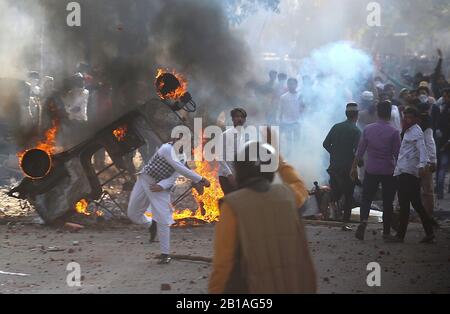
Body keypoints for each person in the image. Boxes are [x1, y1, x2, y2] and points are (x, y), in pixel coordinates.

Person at [209, 142, 316, 294]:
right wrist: (279, 161)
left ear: (240, 171)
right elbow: (298, 184)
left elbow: (223, 264)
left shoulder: (232, 205)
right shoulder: (289, 196)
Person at [127, 135, 211, 264]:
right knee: (133, 214)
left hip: (160, 188)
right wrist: (201, 179)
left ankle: (165, 254)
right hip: (144, 179)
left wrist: (161, 186)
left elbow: (173, 177)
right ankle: (151, 224)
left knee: (163, 218)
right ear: (175, 140)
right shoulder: (166, 148)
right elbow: (180, 168)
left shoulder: (182, 157)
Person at [352, 101, 401, 241]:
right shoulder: (394, 131)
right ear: (390, 113)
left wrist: (353, 167)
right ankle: (386, 232)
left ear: (378, 112)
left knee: (366, 198)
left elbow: (360, 151)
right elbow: (398, 155)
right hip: (388, 170)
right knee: (387, 202)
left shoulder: (368, 129)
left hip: (371, 169)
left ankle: (363, 222)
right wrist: (401, 173)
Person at [386, 107, 436, 244]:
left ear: (415, 119)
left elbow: (423, 149)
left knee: (406, 204)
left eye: (410, 117)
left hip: (409, 172)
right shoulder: (408, 131)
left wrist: (422, 166)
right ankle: (428, 232)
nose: (407, 119)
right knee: (415, 204)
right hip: (404, 171)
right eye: (406, 116)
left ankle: (400, 236)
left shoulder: (416, 132)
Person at [323, 103, 361, 231]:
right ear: (356, 115)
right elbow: (357, 152)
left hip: (334, 166)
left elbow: (325, 144)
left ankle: (330, 214)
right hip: (347, 168)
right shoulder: (356, 131)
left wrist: (335, 153)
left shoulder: (336, 127)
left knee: (336, 191)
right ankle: (345, 222)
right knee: (348, 194)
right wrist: (358, 164)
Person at [217, 108, 248, 195]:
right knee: (231, 204)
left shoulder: (244, 136)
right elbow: (219, 156)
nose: (239, 119)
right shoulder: (225, 135)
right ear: (232, 119)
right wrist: (229, 175)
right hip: (226, 177)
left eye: (242, 117)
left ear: (245, 120)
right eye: (237, 116)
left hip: (239, 177)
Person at [278, 78, 301, 156]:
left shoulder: (300, 96)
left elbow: (304, 108)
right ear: (287, 85)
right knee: (289, 140)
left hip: (298, 121)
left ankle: (298, 154)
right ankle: (289, 154)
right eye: (290, 84)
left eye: (293, 84)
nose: (291, 86)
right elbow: (280, 109)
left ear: (296, 85)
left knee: (297, 139)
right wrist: (280, 120)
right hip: (286, 121)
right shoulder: (283, 97)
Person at [435, 88, 450, 200]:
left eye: (446, 96)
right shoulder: (443, 108)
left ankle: (440, 193)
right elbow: (439, 126)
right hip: (444, 144)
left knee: (442, 169)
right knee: (442, 168)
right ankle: (440, 192)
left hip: (444, 144)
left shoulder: (444, 109)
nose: (444, 98)